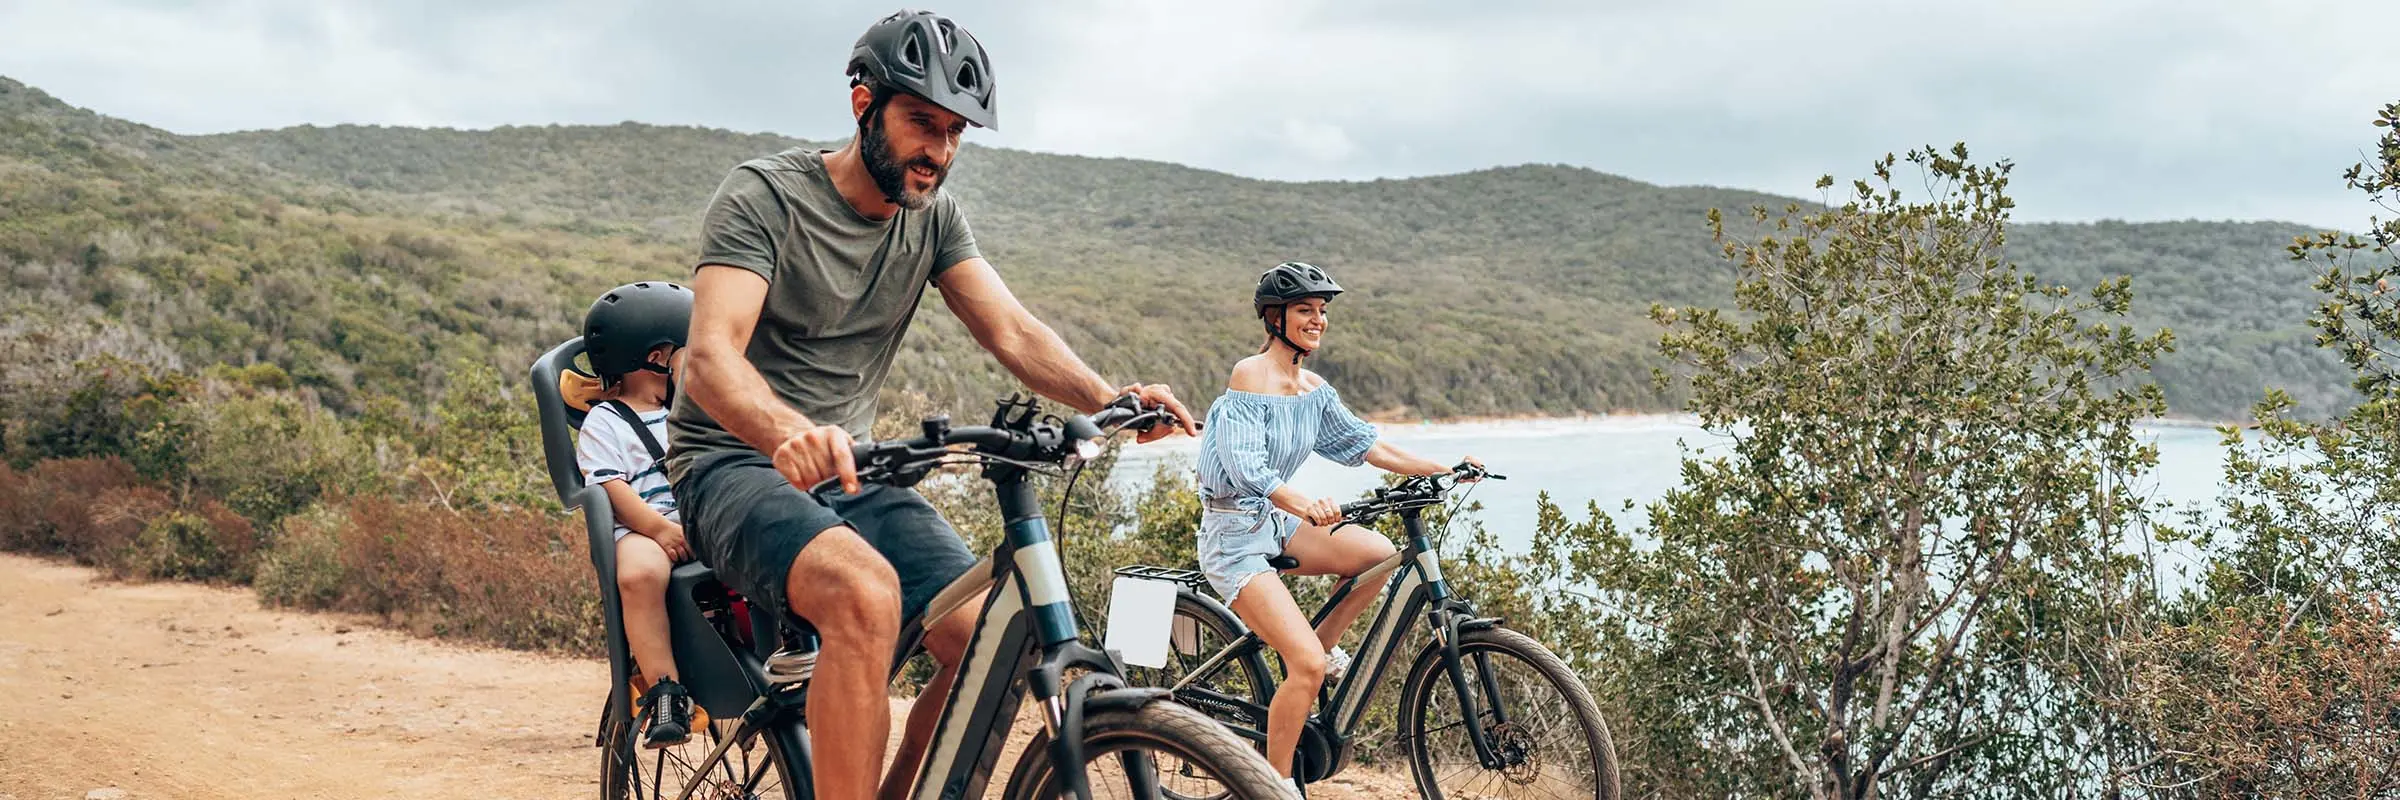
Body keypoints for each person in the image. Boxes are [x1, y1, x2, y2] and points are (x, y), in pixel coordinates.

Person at [662, 10, 1198, 800]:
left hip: (854, 472)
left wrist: (1109, 397)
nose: (939, 152)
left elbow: (1010, 329)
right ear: (862, 103)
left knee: (990, 631)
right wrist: (786, 432)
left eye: (955, 133)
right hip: (731, 465)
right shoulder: (766, 196)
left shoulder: (934, 217)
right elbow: (710, 357)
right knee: (863, 593)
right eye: (922, 123)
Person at [1195, 261, 1481, 792]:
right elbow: (1243, 465)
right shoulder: (1248, 375)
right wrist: (1302, 502)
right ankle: (1275, 785)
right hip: (1233, 535)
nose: (1318, 320)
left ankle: (1317, 650)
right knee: (1302, 666)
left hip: (1275, 521)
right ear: (1274, 318)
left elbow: (1370, 445)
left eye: (1322, 312)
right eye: (1305, 310)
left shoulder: (1313, 389)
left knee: (1377, 555)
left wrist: (1445, 468)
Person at [574, 281, 698, 749]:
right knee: (640, 575)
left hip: (701, 513)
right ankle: (665, 690)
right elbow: (610, 486)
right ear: (659, 357)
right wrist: (659, 528)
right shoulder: (606, 421)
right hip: (643, 526)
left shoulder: (691, 408)